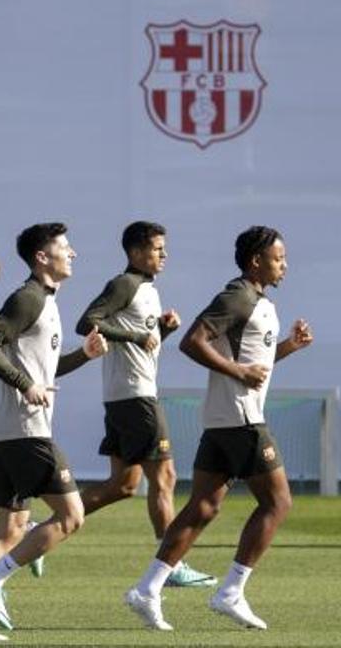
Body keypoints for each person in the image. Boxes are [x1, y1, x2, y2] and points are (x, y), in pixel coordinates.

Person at [125, 226, 312, 632]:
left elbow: (251, 363)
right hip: (242, 420)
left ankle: (147, 588)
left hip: (223, 419)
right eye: (278, 258)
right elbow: (192, 341)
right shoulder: (238, 295)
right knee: (278, 503)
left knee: (203, 508)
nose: (285, 265)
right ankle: (231, 592)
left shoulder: (259, 301)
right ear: (256, 261)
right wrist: (237, 371)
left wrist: (286, 349)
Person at [0, 223, 106, 636]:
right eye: (65, 248)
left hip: (5, 429)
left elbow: (43, 372)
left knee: (11, 528)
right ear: (42, 257)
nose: (73, 254)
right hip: (23, 431)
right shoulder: (29, 297)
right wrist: (25, 384)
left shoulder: (46, 300)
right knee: (71, 516)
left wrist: (83, 356)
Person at [74, 221, 214, 587]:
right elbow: (86, 323)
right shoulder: (125, 284)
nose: (164, 254)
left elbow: (139, 345)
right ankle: (170, 565)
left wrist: (162, 330)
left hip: (125, 397)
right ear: (135, 252)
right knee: (164, 478)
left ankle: (42, 528)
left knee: (123, 486)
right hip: (136, 398)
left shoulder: (148, 288)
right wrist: (138, 334)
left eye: (164, 248)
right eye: (156, 248)